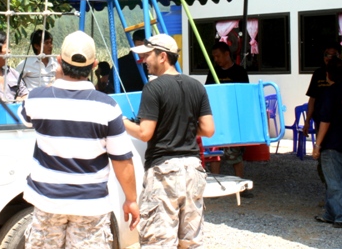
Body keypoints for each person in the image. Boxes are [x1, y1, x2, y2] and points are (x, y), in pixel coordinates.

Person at [19, 31, 139, 247]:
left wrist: (54, 83)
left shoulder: (36, 99)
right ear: (94, 65)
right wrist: (131, 199)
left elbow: (25, 119)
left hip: (47, 201)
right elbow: (122, 160)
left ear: (59, 61)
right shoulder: (107, 107)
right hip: (90, 205)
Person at [123, 33, 215, 248]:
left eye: (147, 55)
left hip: (164, 171)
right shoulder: (197, 86)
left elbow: (145, 133)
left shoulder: (153, 88)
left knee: (159, 242)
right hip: (193, 170)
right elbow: (208, 129)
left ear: (162, 56)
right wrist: (183, 127)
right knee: (190, 242)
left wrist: (121, 121)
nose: (143, 60)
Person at [304, 45, 342, 208]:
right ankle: (333, 199)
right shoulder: (318, 74)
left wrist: (317, 145)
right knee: (325, 166)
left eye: (333, 55)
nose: (329, 58)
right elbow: (312, 99)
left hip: (338, 127)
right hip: (321, 124)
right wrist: (307, 120)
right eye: (327, 55)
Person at [312, 57, 342, 228]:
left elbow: (325, 121)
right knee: (333, 179)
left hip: (330, 142)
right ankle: (330, 213)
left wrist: (317, 145)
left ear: (328, 74)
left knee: (335, 181)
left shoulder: (329, 93)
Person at [204, 41, 250, 180]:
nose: (215, 59)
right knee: (214, 152)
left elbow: (243, 95)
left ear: (227, 54)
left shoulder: (240, 72)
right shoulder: (213, 72)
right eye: (214, 57)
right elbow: (208, 92)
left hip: (232, 119)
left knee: (235, 154)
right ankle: (215, 181)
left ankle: (241, 183)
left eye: (218, 56)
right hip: (216, 117)